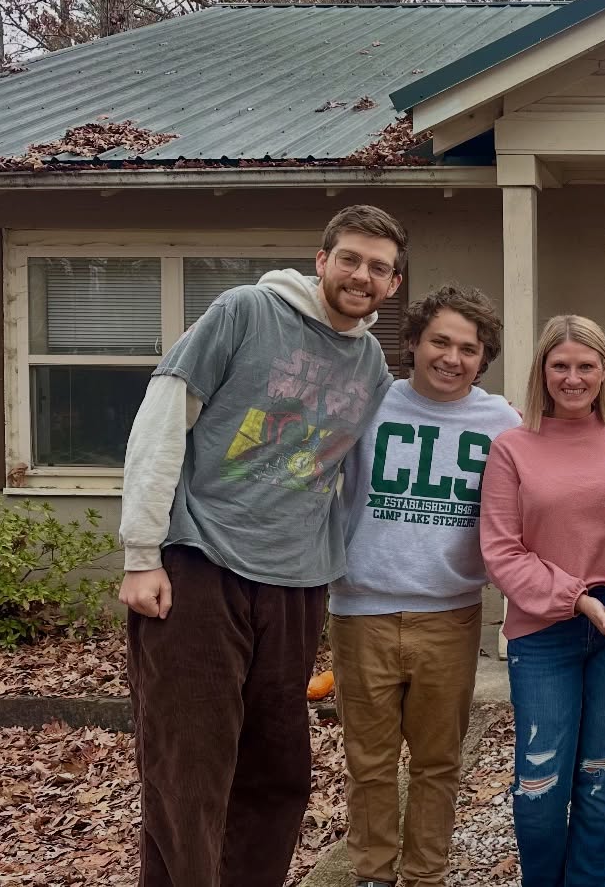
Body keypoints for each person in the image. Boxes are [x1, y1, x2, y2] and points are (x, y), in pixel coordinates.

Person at [117, 205, 406, 887]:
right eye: (351, 259)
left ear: (394, 284)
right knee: (189, 768)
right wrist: (140, 552)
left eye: (379, 267)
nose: (362, 275)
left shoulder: (370, 365)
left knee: (277, 775)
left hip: (297, 584)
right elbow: (163, 416)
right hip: (200, 567)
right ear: (322, 260)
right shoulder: (247, 312)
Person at [329, 285, 520, 887]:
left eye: (468, 349)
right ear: (412, 343)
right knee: (370, 762)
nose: (452, 358)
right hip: (362, 609)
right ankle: (372, 874)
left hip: (451, 613)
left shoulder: (501, 420)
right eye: (440, 341)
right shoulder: (369, 402)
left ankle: (425, 875)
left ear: (482, 358)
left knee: (439, 762)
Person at [479, 315, 605, 887]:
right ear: (542, 371)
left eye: (586, 366)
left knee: (601, 778)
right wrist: (577, 600)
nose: (574, 378)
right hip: (543, 626)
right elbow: (502, 551)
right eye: (561, 365)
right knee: (539, 787)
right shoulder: (513, 447)